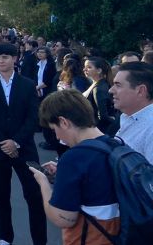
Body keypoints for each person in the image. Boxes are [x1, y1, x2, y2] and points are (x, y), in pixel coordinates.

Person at [0, 42, 47, 245]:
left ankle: (40, 241)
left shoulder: (28, 84)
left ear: (15, 59)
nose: (1, 61)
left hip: (25, 149)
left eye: (5, 57)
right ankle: (6, 238)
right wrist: (3, 142)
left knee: (34, 196)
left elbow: (33, 118)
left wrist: (16, 142)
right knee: (0, 196)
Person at [29, 89, 120, 244]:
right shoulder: (116, 144)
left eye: (54, 129)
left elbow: (63, 219)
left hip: (90, 237)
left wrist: (43, 182)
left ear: (64, 122)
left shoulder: (74, 158)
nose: (57, 137)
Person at [110, 62, 153, 161]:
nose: (111, 90)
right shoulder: (127, 116)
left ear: (141, 91)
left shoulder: (151, 128)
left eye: (118, 85)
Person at [82, 57, 118, 137]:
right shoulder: (96, 83)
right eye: (85, 67)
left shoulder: (99, 89)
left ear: (99, 70)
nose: (85, 69)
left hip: (98, 131)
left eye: (89, 67)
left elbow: (103, 115)